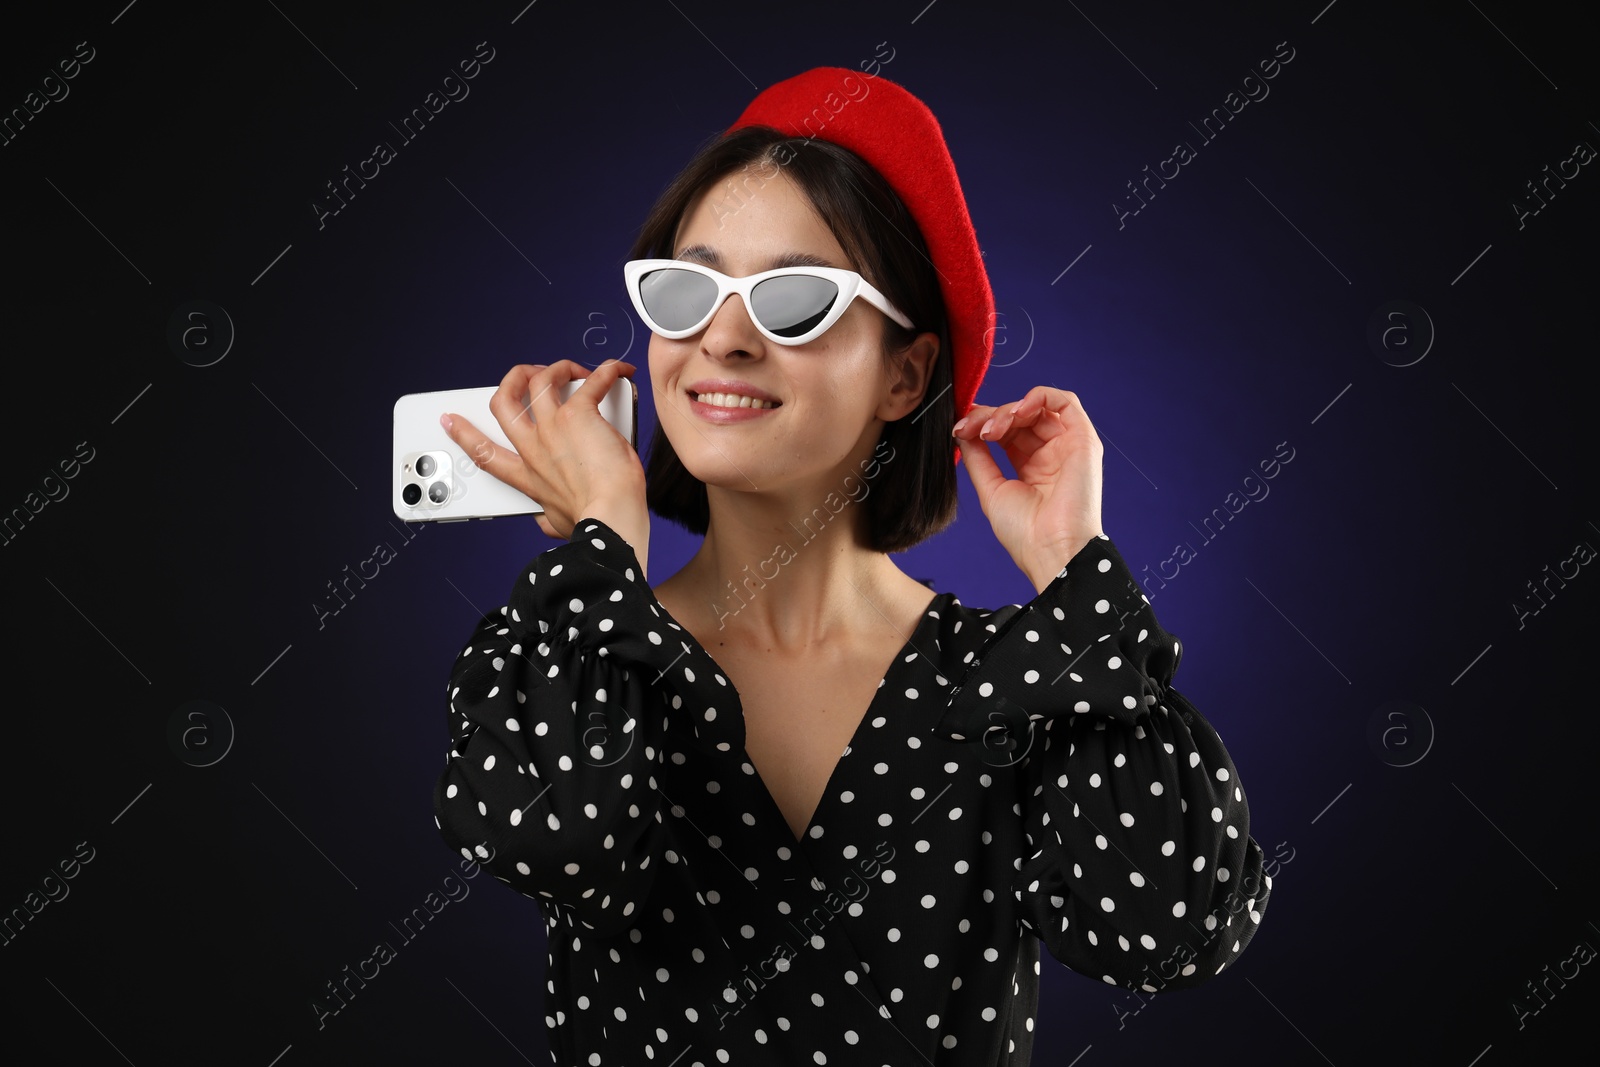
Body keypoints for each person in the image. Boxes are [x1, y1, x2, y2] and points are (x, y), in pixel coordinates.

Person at [432, 66, 1269, 1066]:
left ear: (904, 373)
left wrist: (1074, 573)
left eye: (794, 300)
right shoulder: (576, 649)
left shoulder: (1021, 683)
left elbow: (1165, 933)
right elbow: (560, 844)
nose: (724, 338)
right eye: (687, 288)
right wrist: (605, 545)